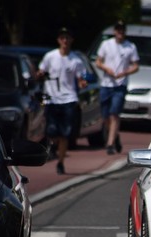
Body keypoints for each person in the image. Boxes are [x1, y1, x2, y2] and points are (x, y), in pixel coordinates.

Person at [37, 27, 88, 175]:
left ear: (71, 40)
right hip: (52, 99)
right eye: (62, 38)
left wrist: (82, 83)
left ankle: (60, 162)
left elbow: (81, 79)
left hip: (69, 99)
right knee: (52, 131)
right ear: (59, 40)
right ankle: (53, 148)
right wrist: (39, 74)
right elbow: (41, 71)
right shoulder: (50, 57)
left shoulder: (76, 60)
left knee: (65, 133)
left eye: (67, 38)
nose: (65, 41)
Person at [95, 20, 140, 155]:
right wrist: (106, 68)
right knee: (105, 117)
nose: (120, 32)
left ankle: (110, 144)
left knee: (114, 114)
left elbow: (136, 65)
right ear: (115, 31)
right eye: (118, 30)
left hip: (120, 85)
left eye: (122, 30)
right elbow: (98, 61)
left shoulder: (130, 47)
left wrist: (125, 72)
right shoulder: (106, 44)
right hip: (106, 84)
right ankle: (115, 135)